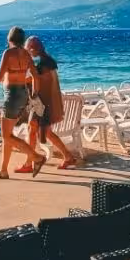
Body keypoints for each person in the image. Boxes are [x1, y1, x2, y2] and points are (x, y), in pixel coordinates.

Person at [0, 26, 46, 180]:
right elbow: (36, 76)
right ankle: (3, 171)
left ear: (9, 38)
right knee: (8, 135)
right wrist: (34, 93)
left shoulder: (8, 53)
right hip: (23, 94)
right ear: (22, 39)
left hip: (12, 95)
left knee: (6, 136)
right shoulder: (25, 53)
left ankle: (36, 157)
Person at [14, 36, 77, 173]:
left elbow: (30, 80)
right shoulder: (47, 61)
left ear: (32, 49)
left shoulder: (43, 65)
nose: (28, 53)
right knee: (40, 132)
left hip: (42, 105)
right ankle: (66, 157)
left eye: (28, 50)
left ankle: (30, 163)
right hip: (46, 103)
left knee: (38, 132)